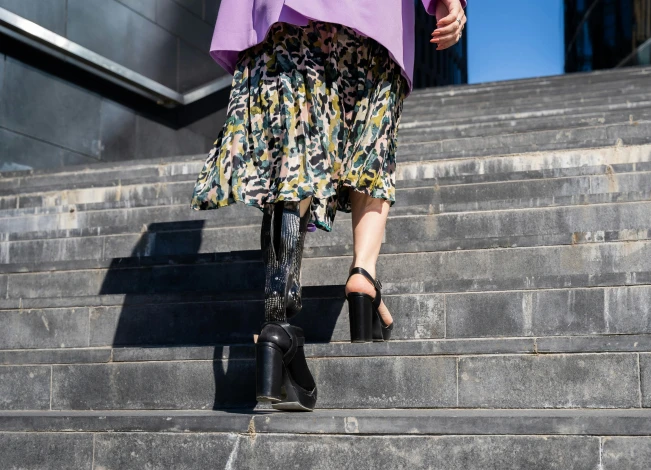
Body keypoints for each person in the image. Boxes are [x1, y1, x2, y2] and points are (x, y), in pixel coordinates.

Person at [191, 0, 467, 411]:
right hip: (371, 15)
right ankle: (362, 275)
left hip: (283, 14)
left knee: (296, 150)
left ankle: (278, 319)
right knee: (370, 144)